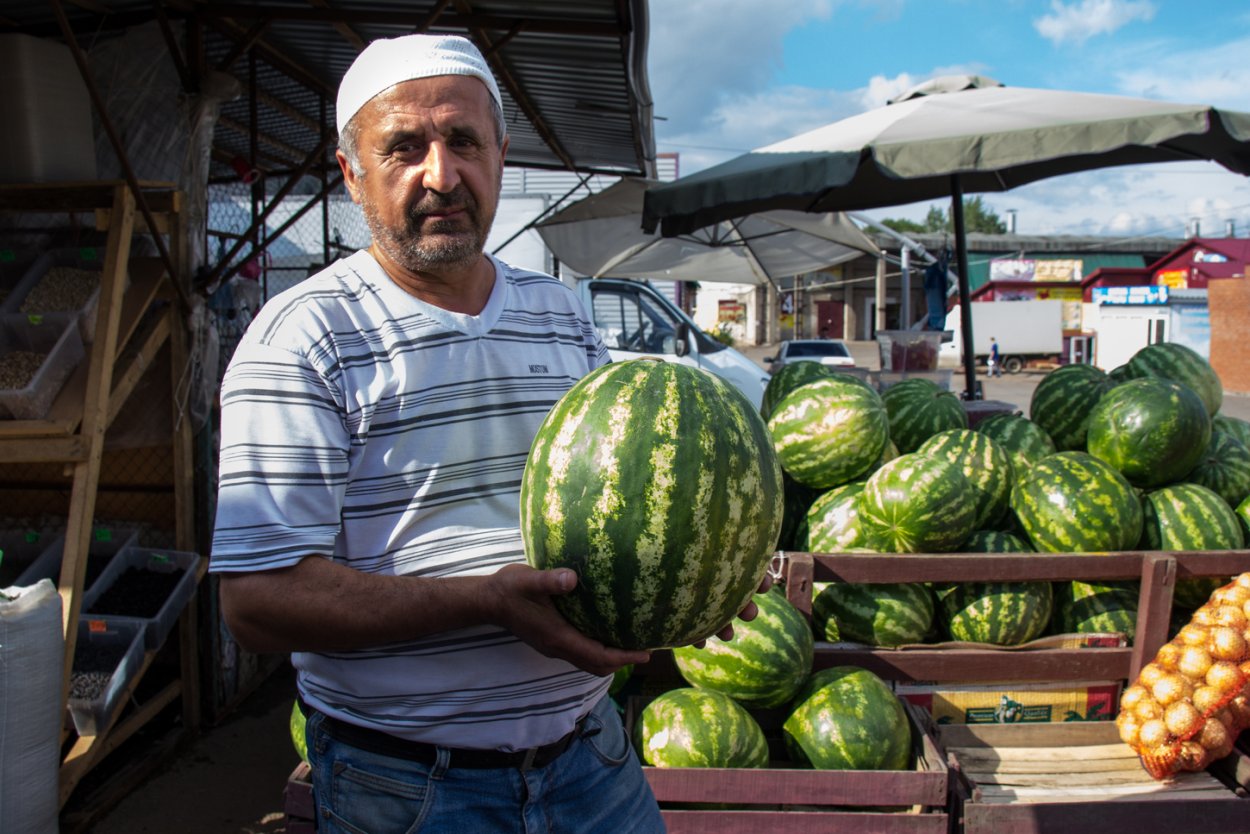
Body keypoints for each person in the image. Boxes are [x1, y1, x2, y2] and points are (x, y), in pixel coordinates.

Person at [210, 34, 757, 833]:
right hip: (409, 787)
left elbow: (627, 509)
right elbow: (257, 603)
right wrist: (487, 604)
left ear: (499, 152)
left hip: (592, 759)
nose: (442, 174)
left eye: (463, 141)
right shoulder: (301, 338)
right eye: (404, 147)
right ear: (350, 171)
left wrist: (694, 578)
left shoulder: (565, 317)